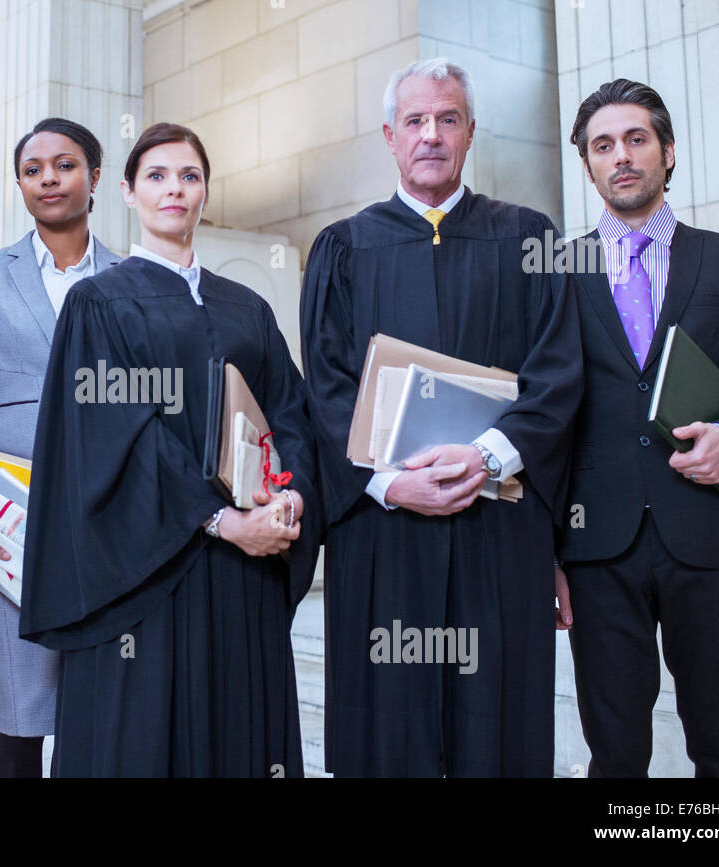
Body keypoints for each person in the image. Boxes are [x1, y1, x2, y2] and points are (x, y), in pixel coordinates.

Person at [299, 58, 582, 777]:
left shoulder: (528, 237)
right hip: (384, 531)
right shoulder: (344, 248)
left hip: (501, 523)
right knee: (390, 724)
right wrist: (390, 483)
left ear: (471, 133)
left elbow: (558, 375)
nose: (432, 135)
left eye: (448, 119)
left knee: (501, 724)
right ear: (391, 136)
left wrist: (487, 455)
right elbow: (325, 387)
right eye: (417, 121)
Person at [18, 122, 321, 777]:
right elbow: (116, 432)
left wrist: (289, 496)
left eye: (189, 176)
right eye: (156, 176)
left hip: (244, 577)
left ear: (205, 191)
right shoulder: (98, 302)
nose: (174, 189)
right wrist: (220, 520)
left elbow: (290, 410)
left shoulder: (246, 306)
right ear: (127, 192)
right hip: (145, 572)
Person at [555, 79, 719, 777]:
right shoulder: (559, 271)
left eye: (636, 139)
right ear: (588, 165)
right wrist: (545, 551)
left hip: (709, 545)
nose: (620, 155)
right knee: (615, 756)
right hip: (597, 553)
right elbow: (540, 416)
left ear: (668, 152)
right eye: (603, 145)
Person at [0, 118, 120, 777]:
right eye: (33, 168)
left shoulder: (128, 277)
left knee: (98, 709)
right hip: (9, 524)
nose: (48, 178)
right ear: (19, 182)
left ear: (95, 177)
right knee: (21, 712)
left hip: (108, 521)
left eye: (64, 165)